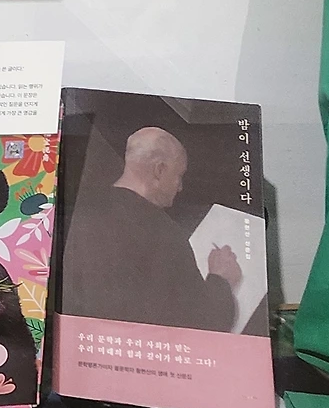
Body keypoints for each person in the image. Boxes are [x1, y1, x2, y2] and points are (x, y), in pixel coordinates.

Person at [61, 126, 243, 331]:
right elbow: (206, 323)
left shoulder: (77, 206)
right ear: (160, 170)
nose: (180, 187)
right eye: (179, 175)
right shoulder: (166, 237)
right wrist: (221, 278)